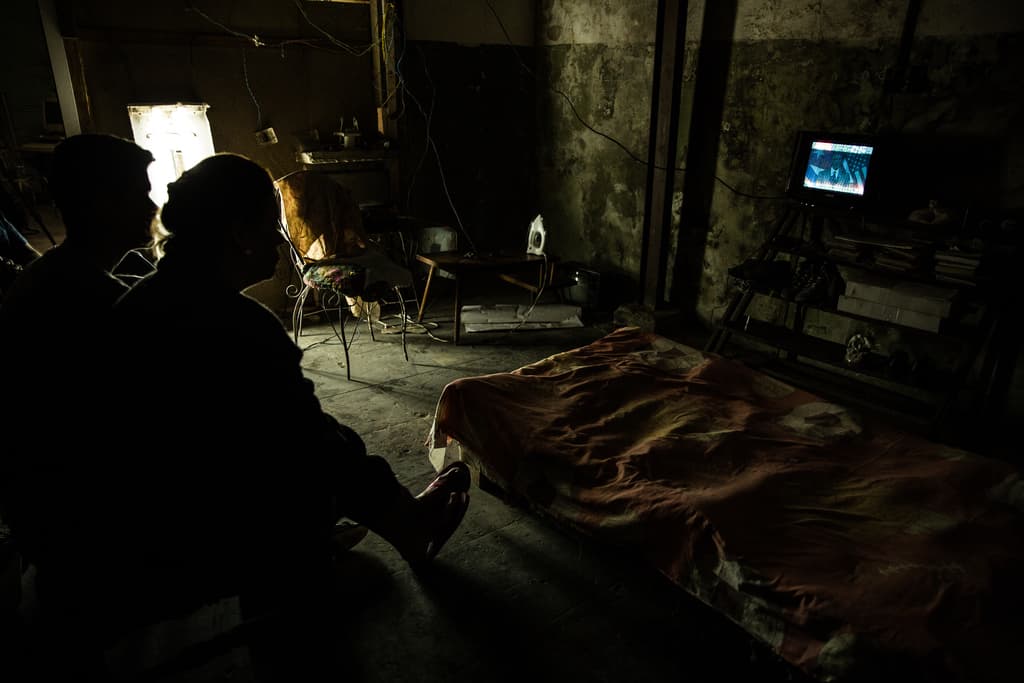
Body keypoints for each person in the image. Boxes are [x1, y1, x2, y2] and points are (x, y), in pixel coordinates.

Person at [98, 153, 470, 672]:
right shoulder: (237, 324)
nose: (280, 240)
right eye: (271, 224)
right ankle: (404, 526)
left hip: (141, 515)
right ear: (239, 234)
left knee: (319, 430)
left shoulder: (145, 299)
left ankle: (381, 522)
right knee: (327, 445)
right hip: (190, 531)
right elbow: (307, 445)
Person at [0, 134, 157, 588]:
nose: (151, 207)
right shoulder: (91, 298)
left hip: (45, 511)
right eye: (139, 193)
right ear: (101, 203)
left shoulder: (56, 274)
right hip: (83, 524)